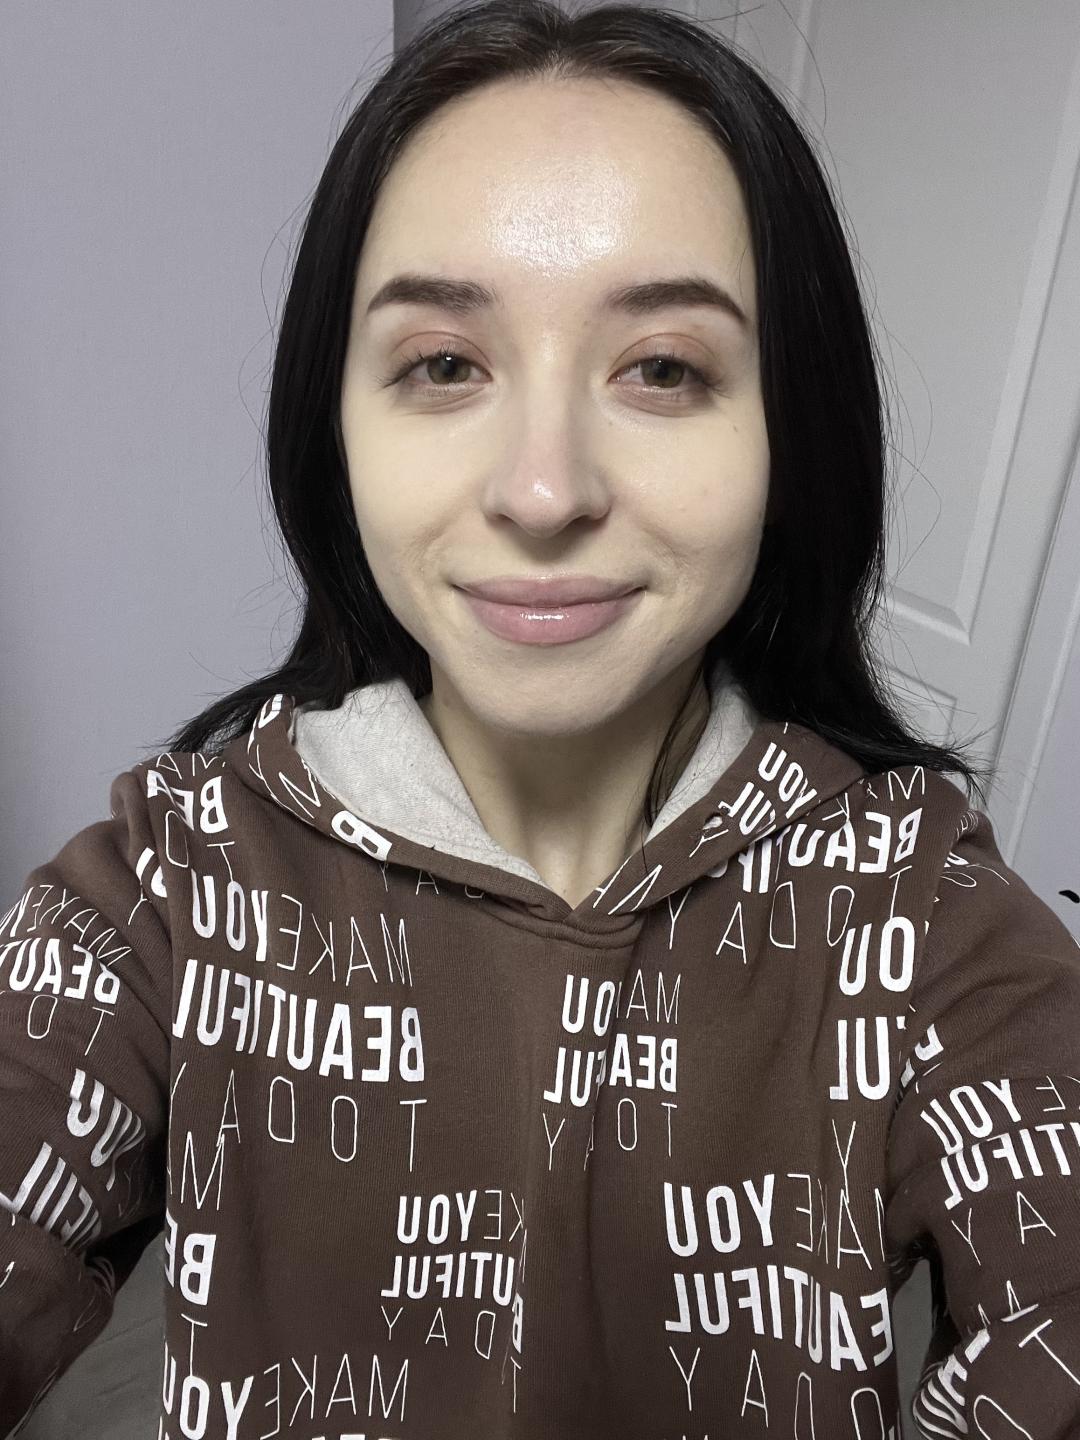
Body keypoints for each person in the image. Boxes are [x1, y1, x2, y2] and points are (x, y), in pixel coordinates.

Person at [3, 2, 1078, 1436]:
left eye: (664, 368)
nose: (544, 490)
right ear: (336, 428)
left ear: (788, 435)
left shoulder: (921, 911)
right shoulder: (168, 887)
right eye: (445, 364)